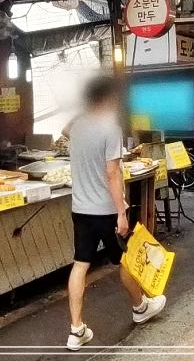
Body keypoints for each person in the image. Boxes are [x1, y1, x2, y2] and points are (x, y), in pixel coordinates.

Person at [66, 75, 165, 351]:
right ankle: (140, 307)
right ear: (107, 98)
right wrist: (121, 213)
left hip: (80, 209)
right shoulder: (110, 129)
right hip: (105, 210)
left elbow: (65, 129)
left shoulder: (77, 126)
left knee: (80, 264)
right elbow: (112, 173)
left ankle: (76, 330)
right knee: (125, 259)